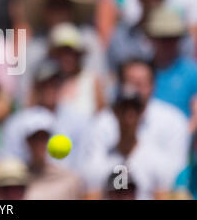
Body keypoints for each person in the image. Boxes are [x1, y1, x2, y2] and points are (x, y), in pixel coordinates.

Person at [81, 58, 190, 193]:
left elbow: (174, 181)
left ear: (153, 85)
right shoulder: (101, 123)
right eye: (131, 82)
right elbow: (91, 183)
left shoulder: (174, 120)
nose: (129, 117)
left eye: (141, 83)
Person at [0, 60, 89, 173]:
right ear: (35, 86)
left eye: (54, 84)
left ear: (62, 85)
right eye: (44, 84)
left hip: (68, 182)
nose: (49, 89)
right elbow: (9, 163)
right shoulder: (16, 123)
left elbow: (83, 162)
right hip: (29, 183)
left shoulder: (78, 120)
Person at [83, 90, 172, 200]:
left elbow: (162, 195)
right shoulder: (99, 161)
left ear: (141, 113)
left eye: (134, 110)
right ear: (115, 113)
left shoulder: (156, 160)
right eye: (124, 109)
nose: (128, 116)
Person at [144, 7, 197, 124]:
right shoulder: (141, 71)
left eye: (172, 38)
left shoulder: (192, 72)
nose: (167, 44)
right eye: (162, 38)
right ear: (152, 39)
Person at [22, 121, 84, 200]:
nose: (40, 144)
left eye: (44, 138)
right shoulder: (17, 177)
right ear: (28, 142)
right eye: (35, 138)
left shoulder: (70, 179)